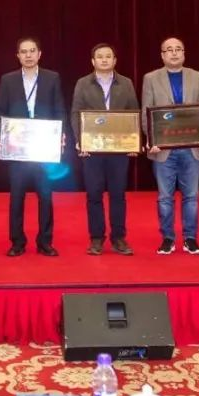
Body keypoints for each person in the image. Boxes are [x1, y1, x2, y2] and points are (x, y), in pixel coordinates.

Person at [0, 37, 66, 257]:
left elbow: (59, 109)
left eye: (32, 51)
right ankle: (17, 242)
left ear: (39, 54)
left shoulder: (52, 78)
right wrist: (1, 134)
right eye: (23, 52)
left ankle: (45, 241)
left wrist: (61, 134)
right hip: (17, 147)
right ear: (18, 56)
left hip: (43, 147)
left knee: (45, 195)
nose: (28, 55)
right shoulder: (8, 80)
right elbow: (1, 111)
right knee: (17, 196)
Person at [140, 37, 199, 255]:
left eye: (178, 49)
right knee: (164, 197)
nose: (174, 53)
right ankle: (168, 238)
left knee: (192, 196)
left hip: (192, 148)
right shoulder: (150, 78)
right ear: (162, 55)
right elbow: (146, 113)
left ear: (184, 53)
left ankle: (190, 238)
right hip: (163, 149)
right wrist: (152, 139)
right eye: (169, 50)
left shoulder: (197, 77)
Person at [72, 43, 140, 256]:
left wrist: (134, 142)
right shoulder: (83, 83)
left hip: (119, 149)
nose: (104, 60)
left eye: (108, 56)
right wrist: (80, 141)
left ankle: (119, 238)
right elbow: (75, 113)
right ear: (93, 61)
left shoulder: (126, 83)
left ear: (114, 60)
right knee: (94, 194)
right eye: (99, 56)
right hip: (92, 149)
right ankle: (96, 238)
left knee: (118, 194)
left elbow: (134, 113)